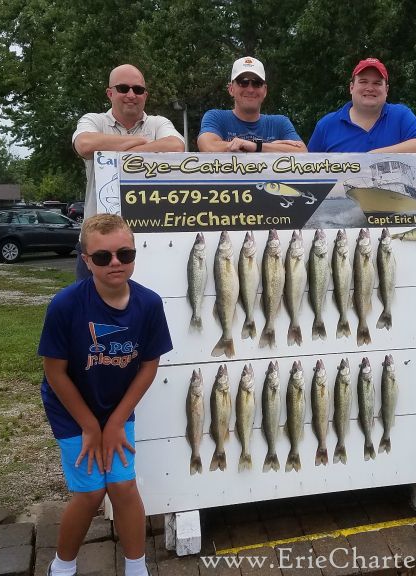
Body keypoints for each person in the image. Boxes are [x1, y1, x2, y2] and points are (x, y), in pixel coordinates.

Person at [39, 214, 173, 576]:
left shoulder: (148, 303)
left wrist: (113, 423)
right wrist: (90, 427)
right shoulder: (66, 305)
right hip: (71, 409)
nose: (115, 263)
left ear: (134, 254)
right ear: (86, 260)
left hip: (115, 407)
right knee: (91, 492)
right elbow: (55, 371)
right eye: (102, 257)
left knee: (123, 485)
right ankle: (62, 566)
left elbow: (148, 365)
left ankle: (136, 567)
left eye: (124, 254)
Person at [73, 64, 186, 279]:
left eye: (138, 89)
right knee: (92, 311)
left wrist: (115, 150)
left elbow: (176, 147)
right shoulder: (93, 120)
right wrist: (139, 141)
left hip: (152, 243)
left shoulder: (158, 122)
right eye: (123, 88)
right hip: (98, 249)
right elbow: (84, 145)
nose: (131, 95)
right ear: (110, 93)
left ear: (145, 95)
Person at [307, 57, 416, 153]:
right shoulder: (327, 124)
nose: (370, 88)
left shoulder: (401, 115)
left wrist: (374, 157)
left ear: (386, 90)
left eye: (377, 83)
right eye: (363, 82)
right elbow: (307, 169)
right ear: (351, 87)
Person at [196, 56, 306, 153]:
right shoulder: (216, 117)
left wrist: (256, 146)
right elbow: (208, 146)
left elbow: (302, 151)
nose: (250, 89)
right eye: (243, 82)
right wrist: (271, 147)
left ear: (265, 90)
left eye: (257, 83)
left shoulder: (280, 123)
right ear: (231, 89)